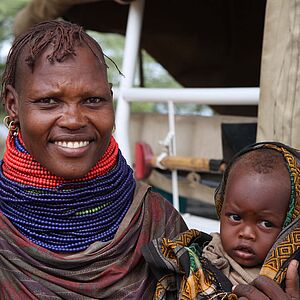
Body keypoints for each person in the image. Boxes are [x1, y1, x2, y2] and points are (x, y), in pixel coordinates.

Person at [0, 20, 188, 299]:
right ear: (13, 105)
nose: (74, 120)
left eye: (93, 100)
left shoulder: (156, 221)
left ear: (110, 99)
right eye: (49, 101)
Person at [142, 142, 300, 299]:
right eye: (235, 217)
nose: (246, 233)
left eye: (266, 224)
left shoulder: (290, 280)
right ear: (220, 208)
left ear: (289, 230)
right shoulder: (195, 260)